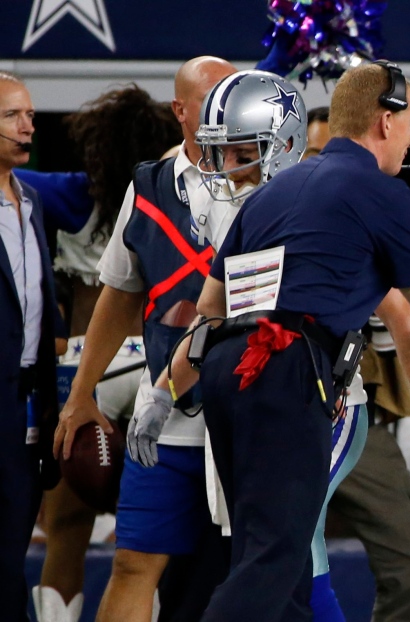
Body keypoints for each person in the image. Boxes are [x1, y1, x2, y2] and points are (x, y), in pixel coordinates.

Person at [152, 61, 410, 620]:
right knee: (276, 559)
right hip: (286, 374)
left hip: (226, 377)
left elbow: (210, 313)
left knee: (276, 561)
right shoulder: (379, 192)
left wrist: (162, 394)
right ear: (386, 120)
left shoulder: (274, 192)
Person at [51, 56, 237, 622]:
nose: (227, 112)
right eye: (212, 100)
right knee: (133, 563)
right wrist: (81, 393)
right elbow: (119, 293)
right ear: (179, 111)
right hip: (168, 419)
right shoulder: (150, 186)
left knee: (250, 569)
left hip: (252, 415)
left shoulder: (276, 179)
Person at [28, 83, 181, 622]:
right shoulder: (174, 198)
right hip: (152, 372)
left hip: (85, 372)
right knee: (145, 544)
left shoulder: (70, 196)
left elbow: (11, 178)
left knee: (64, 531)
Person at [303, 105, 410, 622]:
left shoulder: (376, 206)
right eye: (316, 156)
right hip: (296, 406)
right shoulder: (276, 205)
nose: (329, 168)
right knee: (279, 556)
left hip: (358, 409)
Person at [0, 69, 60, 621]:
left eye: (31, 116)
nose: (28, 127)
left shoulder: (32, 201)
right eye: (12, 117)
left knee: (13, 554)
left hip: (25, 414)